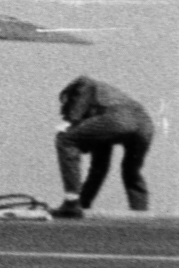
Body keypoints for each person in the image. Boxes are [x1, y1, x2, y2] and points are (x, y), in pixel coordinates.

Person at [54, 76, 154, 217]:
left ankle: (71, 201)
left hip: (119, 118)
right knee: (131, 171)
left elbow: (85, 83)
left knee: (65, 139)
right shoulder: (101, 115)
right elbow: (99, 169)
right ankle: (141, 214)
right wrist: (83, 205)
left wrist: (70, 120)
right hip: (146, 124)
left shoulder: (81, 86)